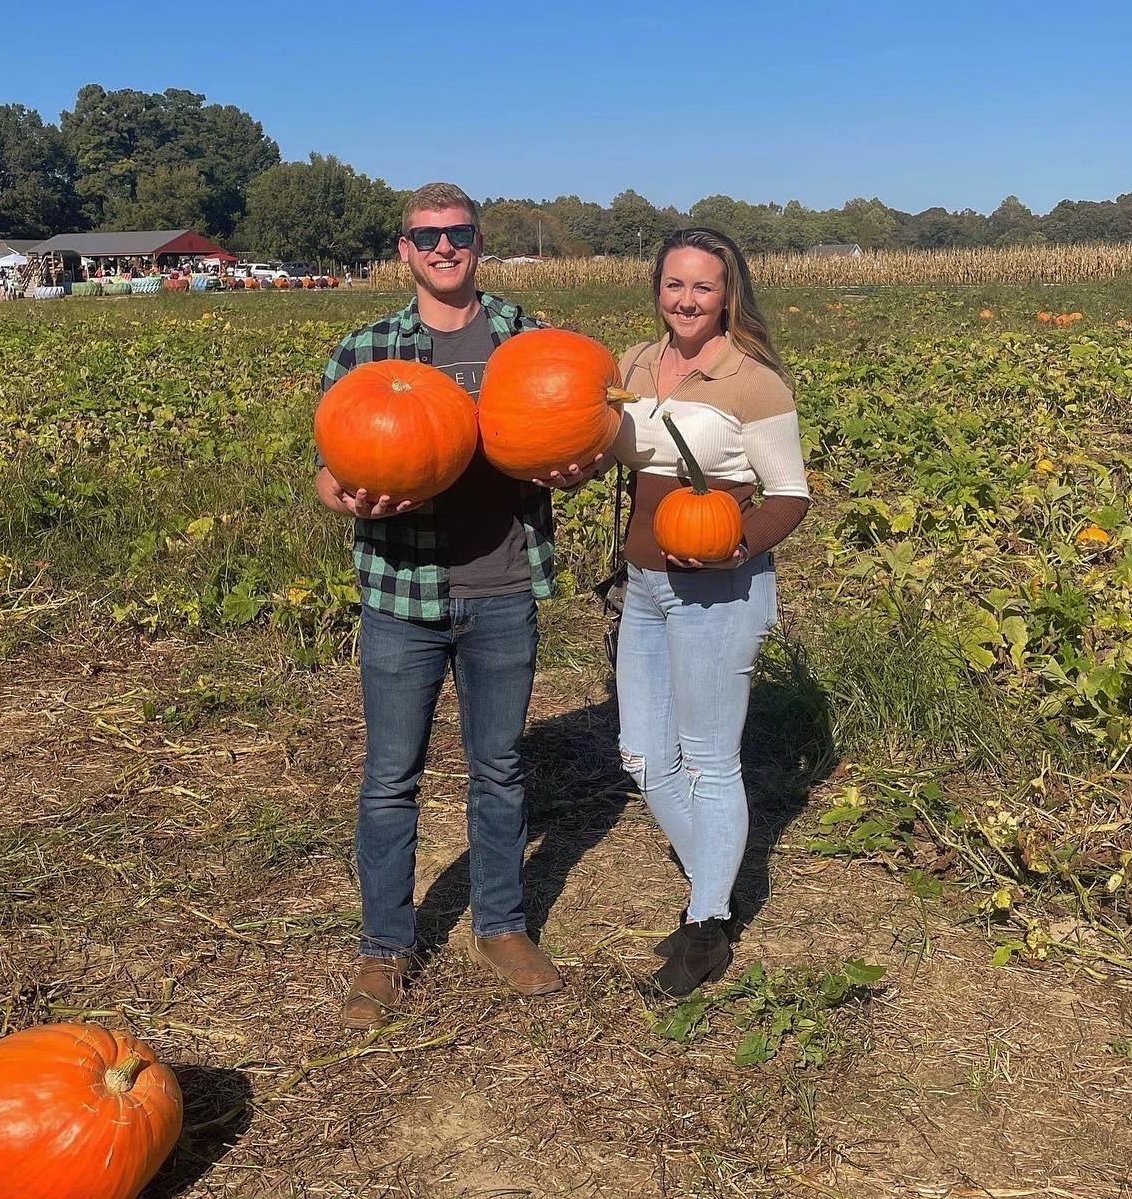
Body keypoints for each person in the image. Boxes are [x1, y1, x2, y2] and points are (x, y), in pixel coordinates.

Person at [315, 181, 600, 1028]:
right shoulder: (368, 350)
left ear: (478, 242)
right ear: (403, 249)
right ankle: (384, 951)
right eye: (426, 236)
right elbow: (330, 475)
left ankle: (500, 927)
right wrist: (351, 502)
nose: (444, 248)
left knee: (501, 769)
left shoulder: (529, 338)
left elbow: (576, 431)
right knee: (389, 778)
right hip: (401, 595)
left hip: (503, 584)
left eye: (459, 234)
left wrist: (580, 467)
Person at [610, 228, 810, 996]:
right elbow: (605, 445)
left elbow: (789, 493)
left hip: (720, 590)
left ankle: (706, 924)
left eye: (702, 287)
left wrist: (734, 549)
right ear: (656, 289)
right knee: (643, 757)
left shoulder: (752, 381)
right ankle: (715, 892)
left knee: (708, 760)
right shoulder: (632, 363)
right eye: (673, 285)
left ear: (728, 295)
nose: (686, 300)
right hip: (647, 583)